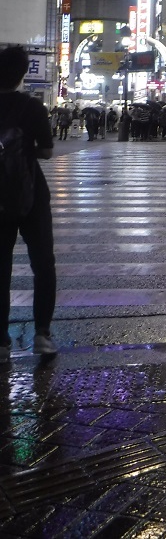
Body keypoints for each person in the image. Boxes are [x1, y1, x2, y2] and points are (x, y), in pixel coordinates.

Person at [0, 46, 57, 361]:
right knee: (43, 265)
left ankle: (1, 342)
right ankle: (42, 335)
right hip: (31, 194)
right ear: (23, 73)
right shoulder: (32, 107)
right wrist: (24, 151)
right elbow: (47, 152)